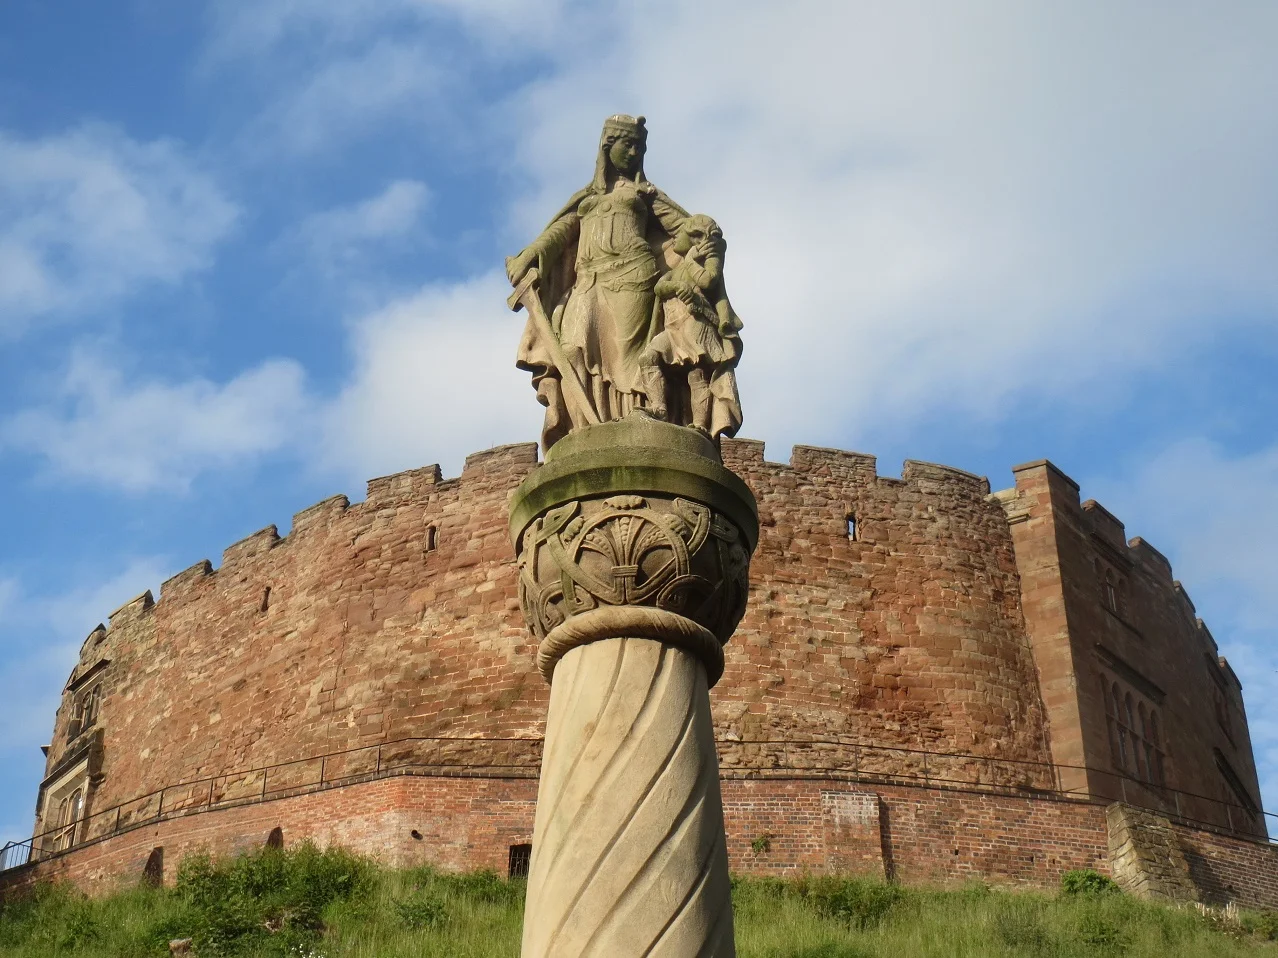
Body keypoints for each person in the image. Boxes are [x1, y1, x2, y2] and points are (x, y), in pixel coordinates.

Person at [507, 115, 692, 450]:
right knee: (571, 349)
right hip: (588, 280)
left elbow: (691, 231)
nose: (634, 152)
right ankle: (585, 428)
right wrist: (530, 255)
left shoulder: (644, 193)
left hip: (634, 278)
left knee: (628, 357)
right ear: (608, 146)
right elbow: (559, 234)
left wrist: (684, 262)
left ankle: (639, 417)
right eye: (628, 144)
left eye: (640, 147)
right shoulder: (587, 197)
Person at [639, 214, 743, 438]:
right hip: (673, 326)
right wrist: (677, 286)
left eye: (681, 235)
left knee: (696, 373)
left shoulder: (709, 256)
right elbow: (660, 288)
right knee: (648, 358)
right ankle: (659, 408)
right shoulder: (676, 270)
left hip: (697, 322)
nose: (675, 240)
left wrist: (690, 263)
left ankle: (700, 425)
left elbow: (708, 281)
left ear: (695, 237)